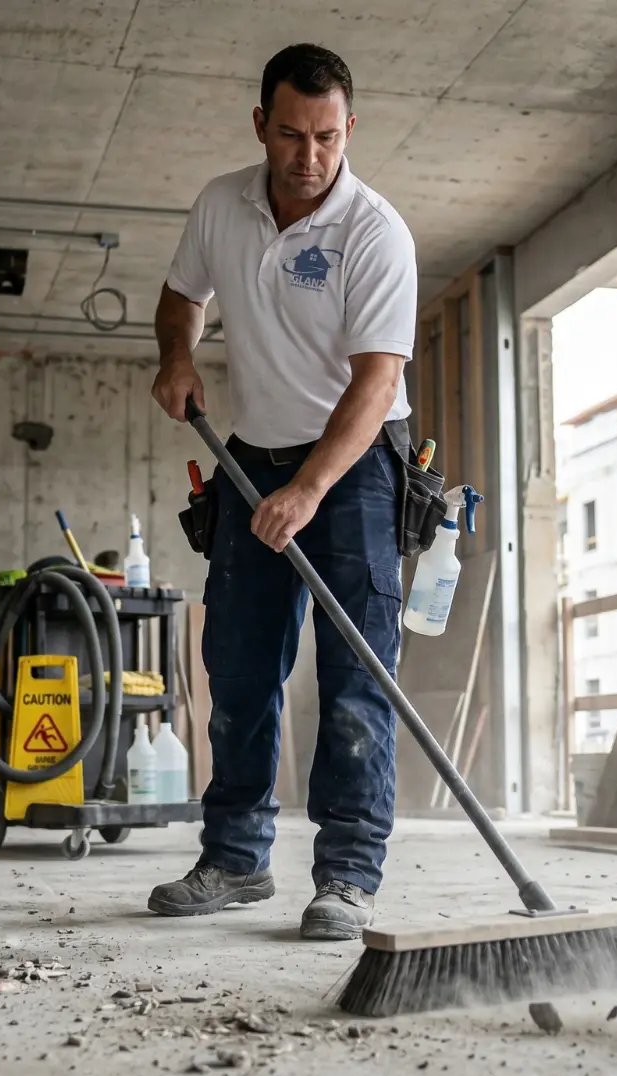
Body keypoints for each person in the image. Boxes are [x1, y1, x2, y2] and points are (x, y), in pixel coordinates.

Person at [146, 42, 418, 940]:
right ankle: (235, 859)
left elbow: (376, 383)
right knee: (237, 665)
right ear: (261, 125)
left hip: (355, 465)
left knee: (354, 676)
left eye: (328, 138)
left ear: (351, 130)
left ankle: (347, 876)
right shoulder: (221, 205)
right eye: (293, 135)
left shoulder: (375, 232)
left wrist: (307, 488)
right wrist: (177, 355)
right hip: (250, 459)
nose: (310, 157)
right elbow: (181, 296)